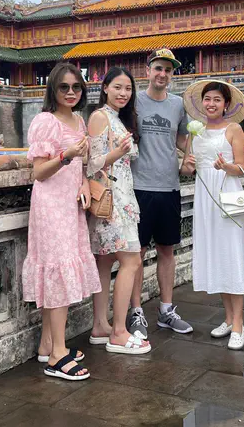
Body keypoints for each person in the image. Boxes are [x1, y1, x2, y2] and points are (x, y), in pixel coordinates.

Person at [23, 62, 100, 381]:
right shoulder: (45, 121)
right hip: (51, 205)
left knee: (62, 268)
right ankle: (57, 354)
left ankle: (47, 344)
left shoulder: (79, 120)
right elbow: (38, 173)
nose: (70, 92)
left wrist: (83, 183)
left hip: (71, 204)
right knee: (57, 271)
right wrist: (65, 155)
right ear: (52, 89)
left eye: (76, 87)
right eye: (64, 87)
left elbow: (81, 166)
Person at [127, 48, 193, 338]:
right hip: (138, 187)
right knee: (136, 254)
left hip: (168, 186)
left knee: (167, 250)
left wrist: (193, 152)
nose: (162, 74)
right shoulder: (134, 101)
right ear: (148, 71)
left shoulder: (178, 104)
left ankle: (167, 310)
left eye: (168, 70)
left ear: (172, 74)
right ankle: (136, 311)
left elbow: (181, 139)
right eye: (158, 68)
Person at [86, 67, 151, 355]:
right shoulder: (100, 116)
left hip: (120, 198)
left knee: (104, 262)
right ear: (105, 88)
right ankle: (120, 331)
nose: (123, 93)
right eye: (118, 87)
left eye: (128, 89)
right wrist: (119, 152)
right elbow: (92, 163)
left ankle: (100, 326)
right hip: (112, 202)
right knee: (132, 261)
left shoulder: (117, 119)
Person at [182, 80, 244, 350]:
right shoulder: (195, 131)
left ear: (226, 105)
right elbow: (189, 168)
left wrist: (226, 166)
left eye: (217, 100)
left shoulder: (233, 129)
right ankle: (229, 317)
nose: (211, 104)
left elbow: (242, 168)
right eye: (207, 99)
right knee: (217, 256)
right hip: (204, 197)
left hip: (227, 195)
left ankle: (239, 324)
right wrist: (186, 165)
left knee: (231, 255)